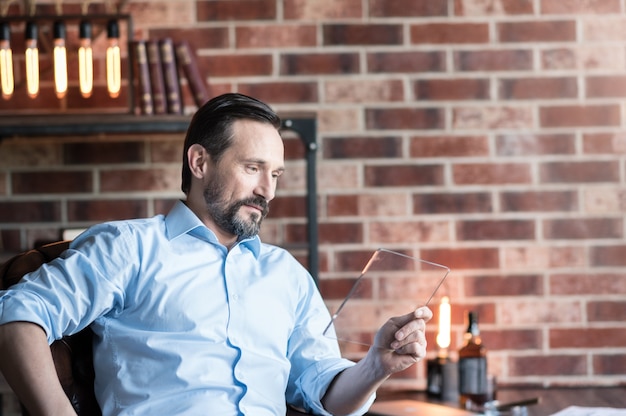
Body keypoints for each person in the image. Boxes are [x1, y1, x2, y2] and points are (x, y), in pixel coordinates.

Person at [0, 93, 433, 416]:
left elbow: (325, 394)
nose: (268, 190)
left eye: (276, 174)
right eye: (252, 168)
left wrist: (376, 366)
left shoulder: (286, 274)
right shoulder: (130, 247)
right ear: (199, 162)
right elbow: (16, 315)